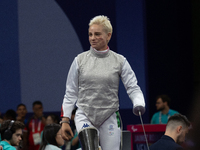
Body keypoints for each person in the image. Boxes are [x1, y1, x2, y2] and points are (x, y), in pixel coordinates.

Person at [60, 15, 146, 150]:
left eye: (97, 34)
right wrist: (65, 120)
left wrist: (138, 102)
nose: (93, 38)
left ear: (108, 36)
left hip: (109, 115)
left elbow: (132, 87)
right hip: (85, 114)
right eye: (90, 34)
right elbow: (70, 92)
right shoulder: (79, 60)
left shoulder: (119, 61)